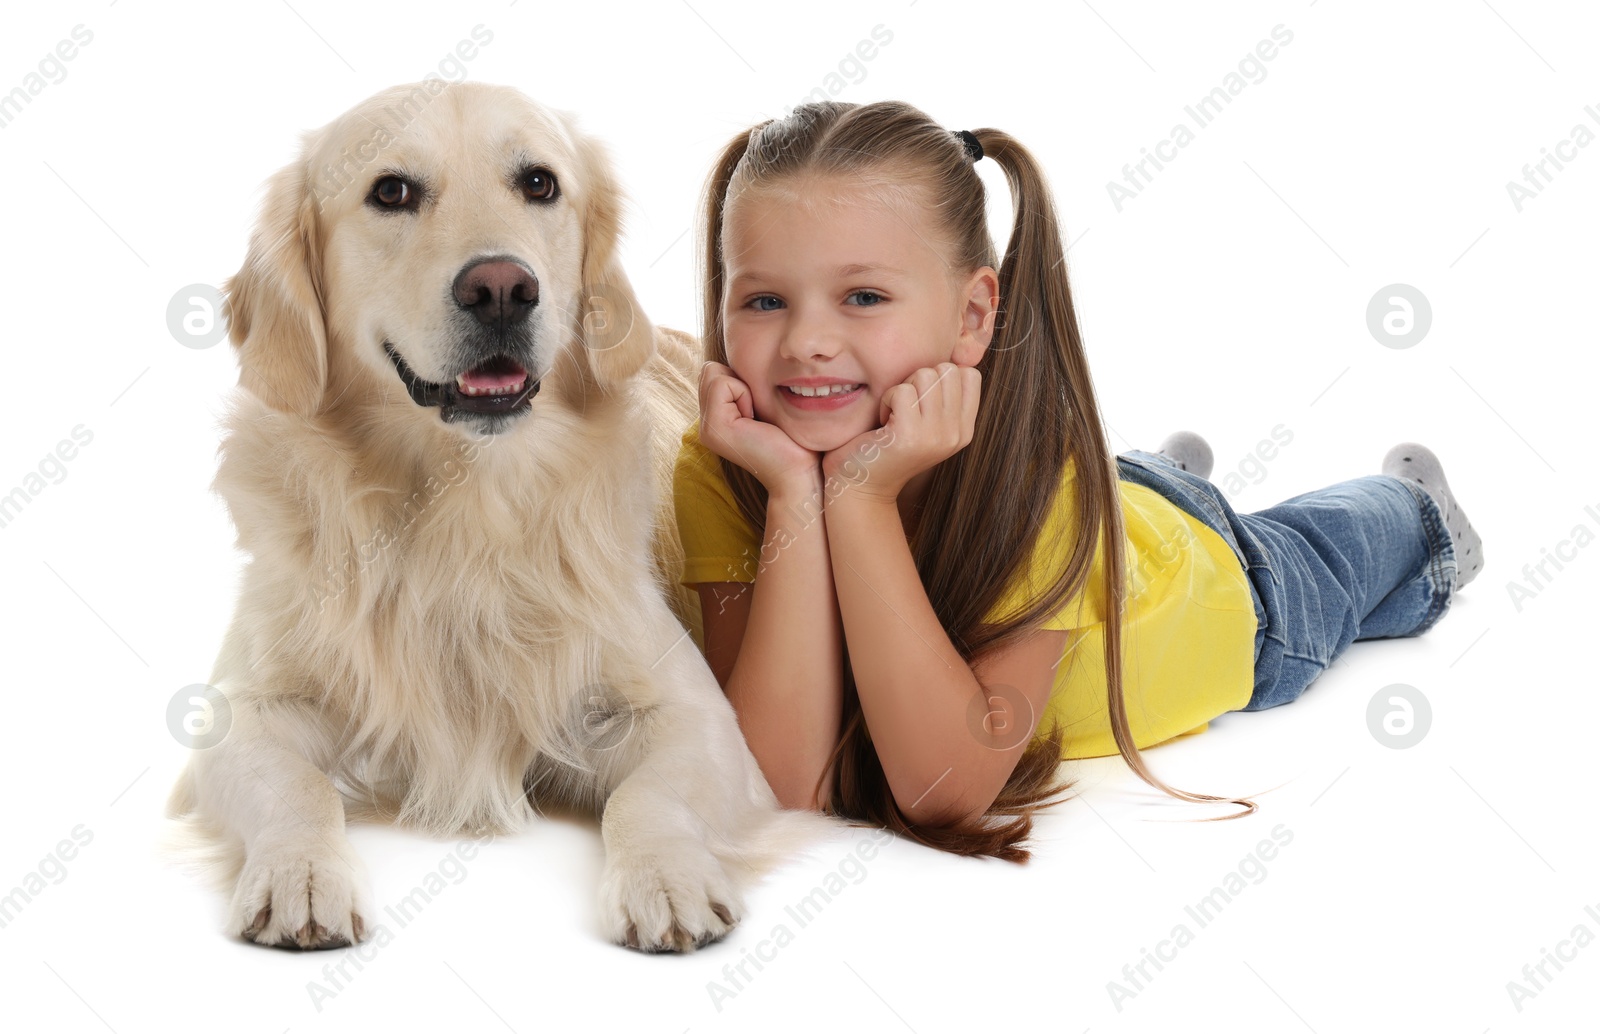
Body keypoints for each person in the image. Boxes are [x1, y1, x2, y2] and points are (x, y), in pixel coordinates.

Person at [671, 100, 1482, 862]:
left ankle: (1420, 510)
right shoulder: (731, 464)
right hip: (1110, 513)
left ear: (972, 317)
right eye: (766, 299)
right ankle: (1165, 474)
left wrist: (864, 496)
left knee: (1351, 538)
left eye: (864, 296)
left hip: (1223, 588)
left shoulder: (1031, 481)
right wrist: (798, 496)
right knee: (1126, 495)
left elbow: (944, 790)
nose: (808, 340)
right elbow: (780, 783)